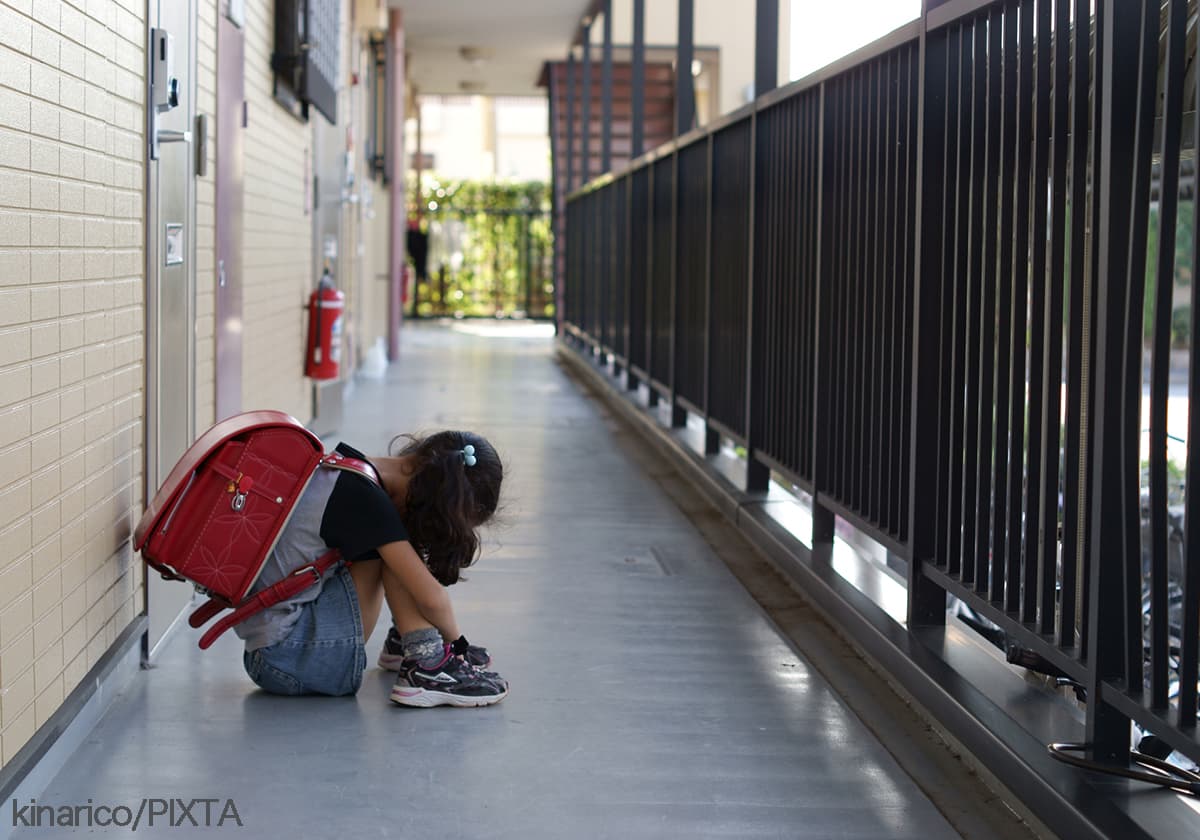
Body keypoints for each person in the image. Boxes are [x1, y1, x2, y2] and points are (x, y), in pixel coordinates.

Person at [234, 430, 508, 707]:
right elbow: (431, 598)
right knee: (393, 552)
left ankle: (407, 639)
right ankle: (427, 664)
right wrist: (458, 645)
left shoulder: (347, 469)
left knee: (392, 544)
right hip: (287, 659)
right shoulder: (368, 502)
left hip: (274, 649)